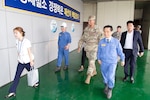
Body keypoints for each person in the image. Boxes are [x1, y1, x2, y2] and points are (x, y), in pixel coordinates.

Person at [5, 27, 38, 98]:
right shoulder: (17, 41)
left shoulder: (27, 41)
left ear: (21, 33)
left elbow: (29, 52)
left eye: (16, 33)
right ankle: (12, 91)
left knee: (32, 73)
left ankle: (36, 82)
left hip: (28, 61)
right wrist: (18, 58)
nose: (15, 34)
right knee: (17, 76)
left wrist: (31, 61)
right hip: (21, 62)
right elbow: (18, 51)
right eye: (14, 33)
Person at [97, 25, 125, 99]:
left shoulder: (116, 42)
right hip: (103, 62)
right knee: (104, 75)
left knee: (110, 76)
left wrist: (123, 59)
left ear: (111, 32)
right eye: (104, 31)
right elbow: (99, 51)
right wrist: (98, 58)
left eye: (107, 31)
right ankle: (106, 85)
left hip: (112, 62)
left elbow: (120, 51)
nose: (106, 33)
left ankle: (110, 89)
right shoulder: (101, 41)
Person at [78, 15, 103, 84]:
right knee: (90, 61)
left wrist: (102, 48)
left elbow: (101, 39)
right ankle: (94, 71)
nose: (89, 22)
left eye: (91, 20)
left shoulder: (98, 29)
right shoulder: (86, 29)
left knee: (92, 61)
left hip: (95, 48)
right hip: (87, 48)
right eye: (89, 20)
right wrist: (79, 46)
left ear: (94, 21)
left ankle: (88, 76)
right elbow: (82, 39)